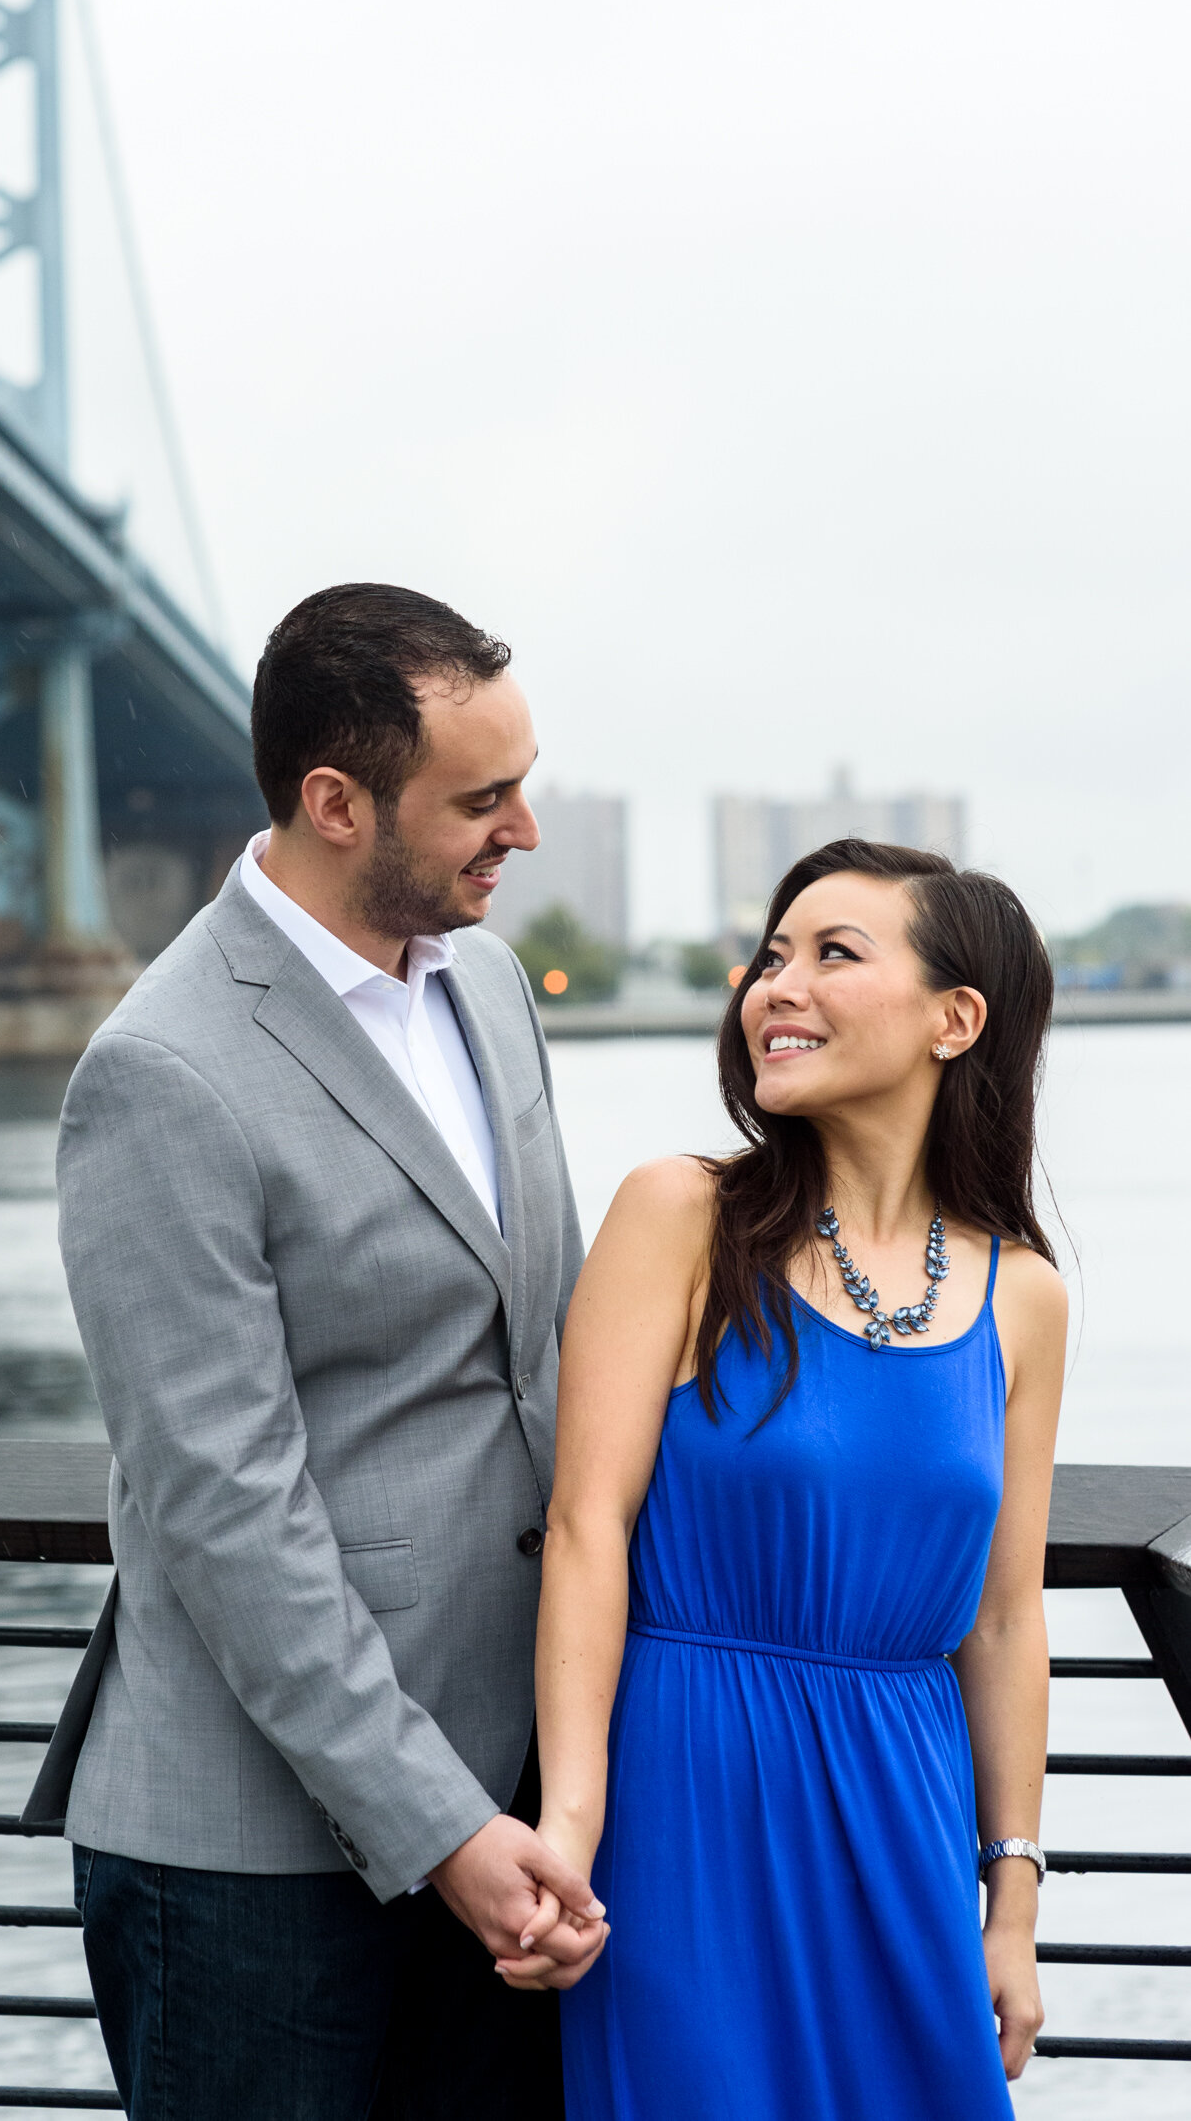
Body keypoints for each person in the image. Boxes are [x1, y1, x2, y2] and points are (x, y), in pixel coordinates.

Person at [24, 582, 606, 2121]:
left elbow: (546, 1344)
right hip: (254, 1865)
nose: (525, 831)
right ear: (335, 802)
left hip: (516, 1806)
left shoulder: (485, 981)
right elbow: (225, 1509)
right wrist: (442, 1831)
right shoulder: (161, 1075)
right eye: (482, 800)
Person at [512, 838, 1065, 2116]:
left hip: (903, 1814)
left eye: (832, 954)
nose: (776, 986)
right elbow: (586, 1525)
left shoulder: (1020, 1296)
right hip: (684, 1807)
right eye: (769, 956)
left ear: (953, 1019)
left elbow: (1002, 1616)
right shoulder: (679, 1215)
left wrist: (1013, 1906)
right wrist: (573, 1827)